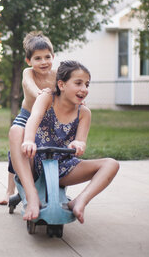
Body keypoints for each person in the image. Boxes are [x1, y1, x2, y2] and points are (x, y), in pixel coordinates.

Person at [12, 60, 119, 223]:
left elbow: (81, 140)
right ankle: (31, 195)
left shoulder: (84, 113)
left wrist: (78, 144)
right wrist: (28, 141)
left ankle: (80, 201)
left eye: (87, 84)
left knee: (111, 164)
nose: (84, 89)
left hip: (62, 167)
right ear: (61, 85)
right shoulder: (47, 98)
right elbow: (33, 119)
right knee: (15, 131)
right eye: (78, 83)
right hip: (33, 158)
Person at [0, 31, 57, 205]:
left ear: (53, 56)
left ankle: (47, 184)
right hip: (27, 115)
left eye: (47, 57)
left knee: (48, 149)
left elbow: (68, 88)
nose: (43, 62)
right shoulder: (28, 73)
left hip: (47, 119)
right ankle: (10, 190)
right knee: (16, 145)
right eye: (37, 58)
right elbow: (29, 86)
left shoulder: (57, 74)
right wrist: (41, 95)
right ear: (29, 61)